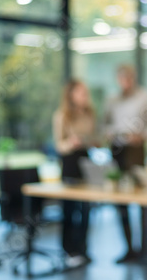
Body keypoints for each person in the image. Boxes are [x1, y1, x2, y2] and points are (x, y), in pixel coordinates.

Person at [104, 65, 147, 263]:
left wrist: (142, 135)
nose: (124, 82)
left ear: (133, 78)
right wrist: (110, 132)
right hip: (117, 148)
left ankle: (145, 249)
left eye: (128, 78)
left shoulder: (145, 97)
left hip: (136, 149)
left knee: (141, 195)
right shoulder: (112, 99)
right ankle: (129, 248)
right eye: (121, 78)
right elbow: (105, 123)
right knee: (121, 198)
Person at [53, 80, 96, 268]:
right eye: (81, 93)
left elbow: (95, 136)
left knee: (86, 209)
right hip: (70, 162)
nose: (85, 96)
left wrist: (92, 141)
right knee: (70, 209)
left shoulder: (90, 114)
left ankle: (82, 248)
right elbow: (59, 145)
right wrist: (71, 143)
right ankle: (69, 250)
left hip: (85, 161)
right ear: (71, 95)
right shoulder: (62, 115)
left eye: (86, 93)